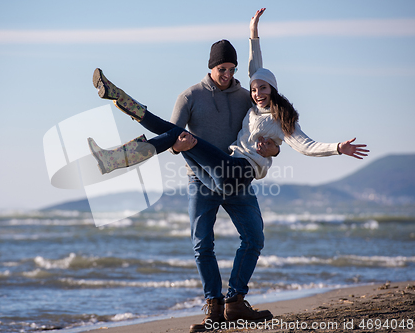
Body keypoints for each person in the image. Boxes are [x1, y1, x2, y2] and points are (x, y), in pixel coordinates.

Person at [88, 8, 368, 332]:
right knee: (198, 229)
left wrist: (331, 147)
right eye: (224, 69)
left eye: (234, 70)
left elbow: (300, 138)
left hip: (236, 177)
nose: (236, 79)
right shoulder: (195, 96)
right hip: (205, 177)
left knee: (254, 238)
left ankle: (235, 302)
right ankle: (214, 306)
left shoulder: (265, 108)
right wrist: (253, 32)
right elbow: (174, 134)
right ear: (211, 67)